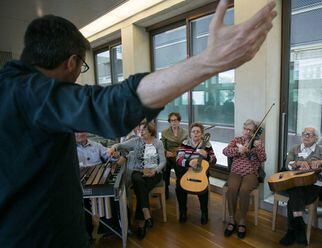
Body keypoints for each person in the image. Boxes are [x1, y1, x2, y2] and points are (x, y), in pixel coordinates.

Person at [0, 1, 276, 246]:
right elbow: (112, 106)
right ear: (72, 62)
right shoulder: (29, 93)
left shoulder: (11, 90)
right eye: (83, 66)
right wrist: (209, 62)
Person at [279, 127, 322, 246]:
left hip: (313, 184)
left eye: (310, 135)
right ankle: (299, 226)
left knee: (293, 198)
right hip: (295, 181)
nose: (306, 136)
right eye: (304, 134)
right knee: (296, 189)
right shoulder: (295, 149)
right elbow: (287, 164)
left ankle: (292, 229)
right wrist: (297, 163)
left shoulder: (321, 150)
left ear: (316, 138)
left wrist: (321, 162)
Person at [109, 121, 165, 240]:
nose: (140, 132)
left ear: (150, 132)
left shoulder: (158, 143)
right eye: (139, 130)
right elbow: (120, 145)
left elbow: (163, 161)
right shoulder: (136, 141)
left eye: (143, 130)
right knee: (138, 180)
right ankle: (144, 217)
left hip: (154, 173)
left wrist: (155, 171)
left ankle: (143, 221)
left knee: (140, 188)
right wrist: (113, 147)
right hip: (138, 171)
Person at [223, 119, 266, 239]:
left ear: (254, 132)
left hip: (251, 173)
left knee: (243, 191)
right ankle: (232, 219)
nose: (247, 132)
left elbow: (263, 159)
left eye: (250, 130)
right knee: (231, 189)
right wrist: (238, 150)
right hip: (235, 172)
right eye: (246, 129)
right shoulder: (237, 140)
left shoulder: (257, 142)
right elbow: (225, 151)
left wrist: (258, 148)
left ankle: (242, 220)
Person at [75, 132, 121, 241]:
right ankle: (87, 235)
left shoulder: (96, 145)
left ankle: (108, 228)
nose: (79, 134)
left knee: (111, 195)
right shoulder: (69, 149)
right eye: (76, 132)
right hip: (80, 182)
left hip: (98, 179)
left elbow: (109, 155)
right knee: (82, 204)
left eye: (81, 131)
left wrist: (114, 154)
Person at [175, 123, 216, 224]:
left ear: (202, 134)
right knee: (179, 186)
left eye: (198, 132)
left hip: (201, 172)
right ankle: (183, 211)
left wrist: (206, 156)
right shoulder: (185, 143)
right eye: (193, 131)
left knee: (203, 188)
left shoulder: (207, 144)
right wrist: (189, 162)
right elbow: (178, 159)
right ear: (190, 133)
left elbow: (214, 160)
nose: (195, 134)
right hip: (187, 170)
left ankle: (204, 212)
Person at [161, 112, 188, 199]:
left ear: (179, 121)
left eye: (175, 120)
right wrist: (165, 152)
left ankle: (180, 189)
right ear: (169, 122)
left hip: (180, 155)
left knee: (179, 167)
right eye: (171, 120)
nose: (173, 122)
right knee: (165, 166)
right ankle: (165, 190)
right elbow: (161, 146)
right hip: (168, 155)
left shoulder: (185, 132)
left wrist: (179, 150)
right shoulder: (165, 132)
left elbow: (187, 146)